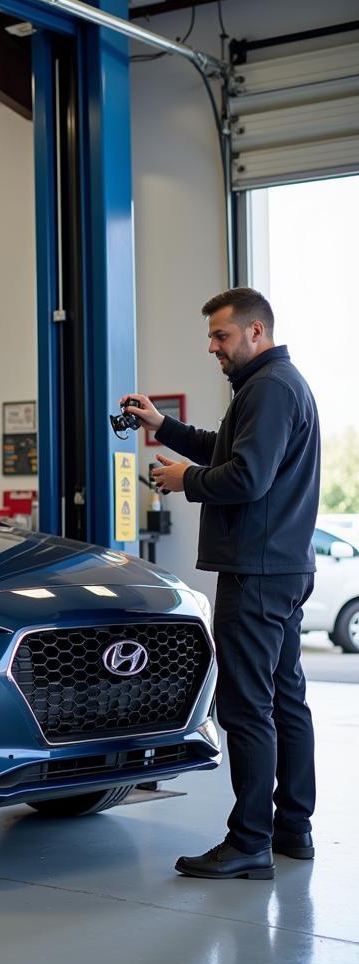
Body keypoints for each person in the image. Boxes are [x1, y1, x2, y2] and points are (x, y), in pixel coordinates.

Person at [120, 287, 320, 880]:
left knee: (246, 706)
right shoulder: (273, 388)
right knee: (285, 700)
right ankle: (292, 828)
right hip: (281, 567)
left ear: (256, 332)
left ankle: (249, 841)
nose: (213, 348)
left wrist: (188, 481)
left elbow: (247, 476)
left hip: (256, 571)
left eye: (222, 336)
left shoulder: (270, 389)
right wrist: (163, 426)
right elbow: (227, 450)